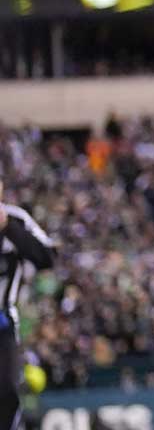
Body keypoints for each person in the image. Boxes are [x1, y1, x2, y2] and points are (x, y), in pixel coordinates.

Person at [0, 181, 56, 430]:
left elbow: (47, 256)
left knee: (7, 391)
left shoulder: (17, 218)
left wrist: (8, 227)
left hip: (2, 320)